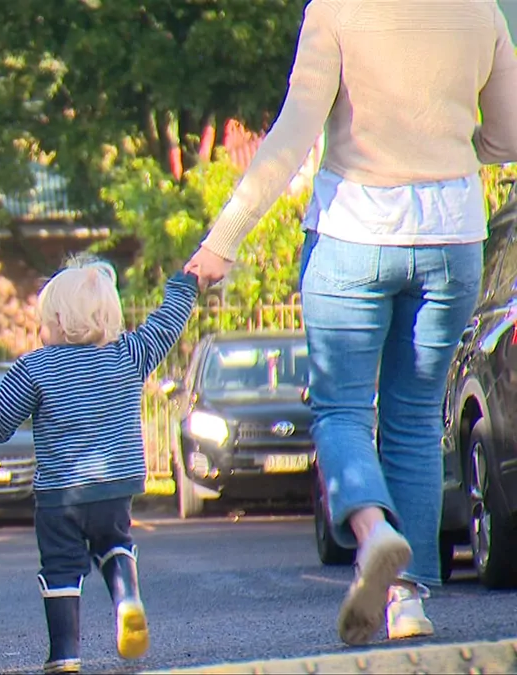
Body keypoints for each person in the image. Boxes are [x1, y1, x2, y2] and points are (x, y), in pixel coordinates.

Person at [183, 0, 517, 647]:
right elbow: (506, 136)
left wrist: (224, 239)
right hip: (451, 234)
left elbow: (292, 135)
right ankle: (408, 598)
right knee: (415, 420)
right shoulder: (481, 11)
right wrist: (447, 154)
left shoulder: (336, 10)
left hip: (352, 232)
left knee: (340, 410)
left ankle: (373, 530)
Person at [0, 257, 199, 673]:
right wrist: (185, 283)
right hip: (114, 488)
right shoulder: (129, 353)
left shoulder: (35, 367)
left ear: (54, 321)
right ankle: (127, 598)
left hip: (60, 497)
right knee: (114, 542)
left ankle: (65, 655)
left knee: (62, 570)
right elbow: (166, 324)